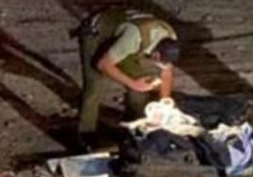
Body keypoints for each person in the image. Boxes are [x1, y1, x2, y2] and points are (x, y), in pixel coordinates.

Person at [76, 8, 181, 149]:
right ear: (155, 55)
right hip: (96, 33)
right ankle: (86, 134)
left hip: (124, 41)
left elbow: (167, 73)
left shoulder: (170, 37)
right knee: (93, 85)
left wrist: (164, 104)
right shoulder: (134, 38)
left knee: (142, 82)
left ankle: (133, 123)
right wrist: (133, 84)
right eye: (161, 62)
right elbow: (103, 64)